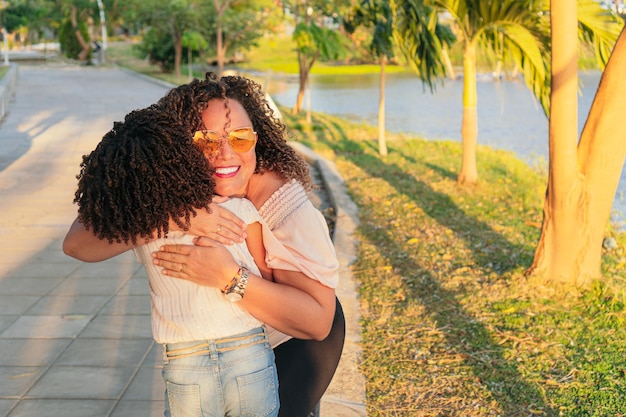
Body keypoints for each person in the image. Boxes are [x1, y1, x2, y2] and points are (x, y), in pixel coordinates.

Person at [63, 72, 346, 417]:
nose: (225, 154)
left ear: (256, 139)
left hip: (296, 343)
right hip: (214, 355)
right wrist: (176, 219)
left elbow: (318, 322)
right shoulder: (177, 190)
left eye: (240, 137)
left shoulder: (278, 203)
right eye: (206, 140)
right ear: (179, 144)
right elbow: (79, 241)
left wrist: (229, 277)